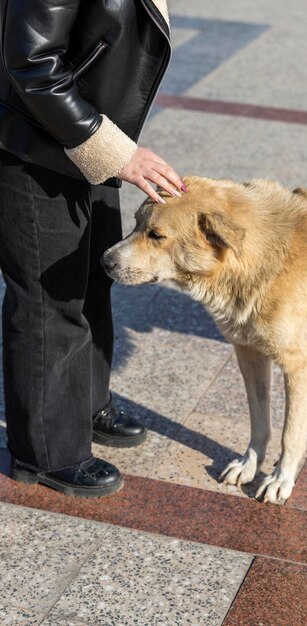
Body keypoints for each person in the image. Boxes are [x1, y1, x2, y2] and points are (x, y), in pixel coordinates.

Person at [0, 0, 183, 497]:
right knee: (49, 298)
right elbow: (31, 61)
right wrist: (113, 148)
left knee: (93, 276)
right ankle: (46, 450)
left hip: (87, 135)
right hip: (34, 143)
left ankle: (84, 403)